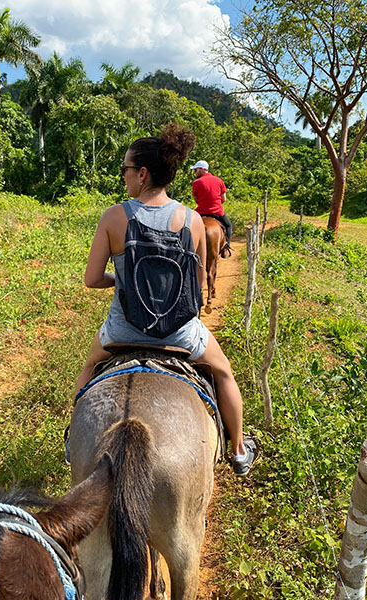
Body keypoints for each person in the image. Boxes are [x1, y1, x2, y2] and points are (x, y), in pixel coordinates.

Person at [73, 123, 257, 476]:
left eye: (126, 169)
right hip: (180, 335)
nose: (124, 176)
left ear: (142, 174)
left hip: (122, 331)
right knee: (223, 372)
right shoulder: (193, 220)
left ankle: (73, 444)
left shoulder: (114, 216)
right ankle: (237, 450)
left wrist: (121, 280)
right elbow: (199, 282)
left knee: (87, 370)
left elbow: (92, 279)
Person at [190, 160, 232, 258]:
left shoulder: (196, 182)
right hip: (217, 212)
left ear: (202, 169)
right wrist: (215, 205)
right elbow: (224, 199)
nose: (195, 172)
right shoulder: (219, 180)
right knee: (228, 225)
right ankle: (226, 247)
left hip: (200, 212)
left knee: (187, 226)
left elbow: (196, 200)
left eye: (196, 170)